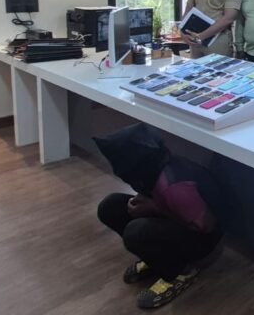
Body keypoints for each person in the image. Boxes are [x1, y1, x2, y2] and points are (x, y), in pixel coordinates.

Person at [94, 123, 224, 310]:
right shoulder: (152, 170)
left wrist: (155, 209)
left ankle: (180, 272)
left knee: (135, 232)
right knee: (110, 206)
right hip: (175, 216)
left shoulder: (176, 187)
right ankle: (158, 258)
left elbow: (205, 227)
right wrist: (147, 201)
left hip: (205, 241)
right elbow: (154, 194)